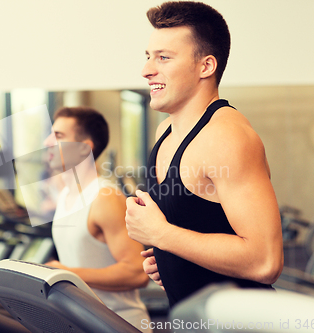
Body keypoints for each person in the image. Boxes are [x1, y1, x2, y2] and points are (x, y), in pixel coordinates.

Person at [125, 1, 284, 308]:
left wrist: (163, 236)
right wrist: (170, 259)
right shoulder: (165, 132)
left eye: (164, 58)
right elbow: (197, 226)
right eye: (148, 56)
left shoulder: (226, 137)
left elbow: (266, 262)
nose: (146, 70)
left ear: (206, 66)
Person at [43, 106, 152, 332]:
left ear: (84, 149)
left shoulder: (104, 197)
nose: (47, 142)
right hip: (82, 321)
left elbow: (137, 272)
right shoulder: (65, 195)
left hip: (118, 323)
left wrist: (64, 273)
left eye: (59, 136)